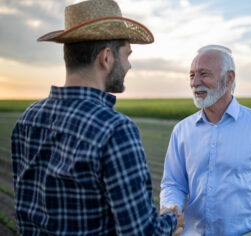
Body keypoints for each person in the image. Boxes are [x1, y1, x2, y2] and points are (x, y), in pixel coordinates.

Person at [11, 0, 184, 235]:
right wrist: (171, 220)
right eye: (126, 55)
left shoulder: (27, 119)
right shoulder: (115, 129)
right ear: (106, 58)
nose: (129, 65)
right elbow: (141, 232)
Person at [160, 45, 251, 235]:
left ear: (229, 78)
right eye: (191, 75)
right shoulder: (182, 130)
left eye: (204, 74)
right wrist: (172, 206)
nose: (195, 82)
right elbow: (173, 183)